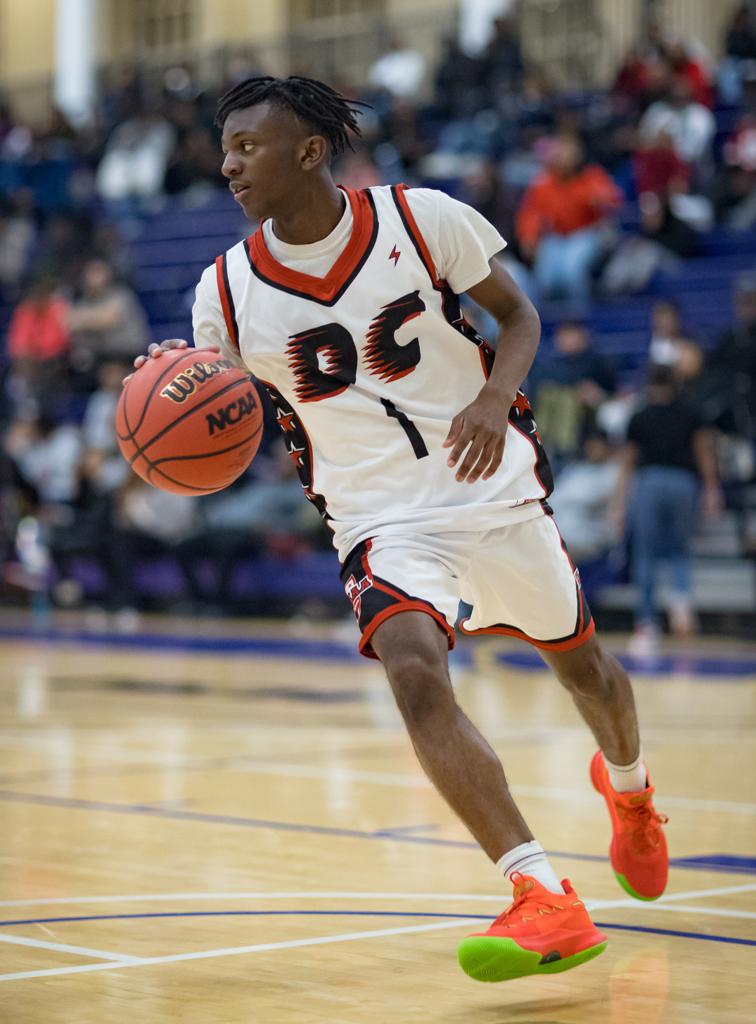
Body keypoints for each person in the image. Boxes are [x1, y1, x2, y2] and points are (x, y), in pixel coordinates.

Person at [131, 76, 669, 984]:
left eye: (247, 147)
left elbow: (519, 315)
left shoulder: (423, 220)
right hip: (375, 515)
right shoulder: (222, 293)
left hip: (489, 486)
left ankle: (632, 793)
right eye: (223, 149)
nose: (227, 166)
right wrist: (170, 383)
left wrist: (498, 395)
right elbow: (204, 394)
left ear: (309, 152)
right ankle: (541, 892)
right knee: (415, 673)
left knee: (590, 673)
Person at [610, 365, 721, 652]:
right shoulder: (690, 412)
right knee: (679, 549)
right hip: (683, 482)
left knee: (646, 553)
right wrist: (711, 488)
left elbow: (627, 462)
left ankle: (646, 623)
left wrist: (619, 504)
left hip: (650, 481)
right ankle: (681, 606)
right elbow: (702, 451)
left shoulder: (640, 416)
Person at [516, 133, 621, 305]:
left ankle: (580, 318)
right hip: (556, 237)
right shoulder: (544, 182)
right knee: (544, 277)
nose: (564, 155)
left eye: (569, 150)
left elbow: (613, 201)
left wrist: (600, 200)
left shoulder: (591, 176)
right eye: (561, 150)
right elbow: (530, 213)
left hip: (586, 233)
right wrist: (529, 236)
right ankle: (548, 323)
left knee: (571, 271)